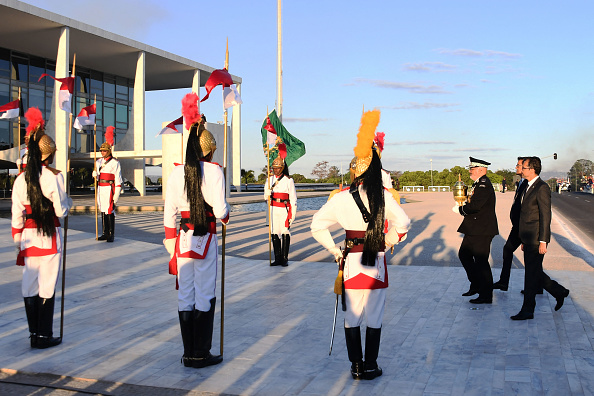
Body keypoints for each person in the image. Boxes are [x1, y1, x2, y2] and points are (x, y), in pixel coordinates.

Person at [311, 110, 410, 380]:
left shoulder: (340, 198)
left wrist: (333, 250)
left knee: (351, 317)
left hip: (351, 261)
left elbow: (316, 225)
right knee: (374, 318)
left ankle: (355, 366)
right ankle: (370, 365)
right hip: (375, 260)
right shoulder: (385, 196)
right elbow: (404, 223)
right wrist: (387, 241)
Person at [163, 93, 229, 368]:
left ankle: (188, 351)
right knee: (204, 293)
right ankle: (201, 353)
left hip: (183, 239)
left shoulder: (176, 172)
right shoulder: (214, 172)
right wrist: (226, 215)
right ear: (209, 151)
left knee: (185, 294)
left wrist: (170, 243)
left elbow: (169, 213)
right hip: (205, 237)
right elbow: (221, 209)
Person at [11, 107, 72, 349]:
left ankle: (34, 334)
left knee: (30, 283)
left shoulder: (19, 179)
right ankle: (45, 336)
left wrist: (18, 240)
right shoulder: (53, 177)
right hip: (48, 237)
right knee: (47, 284)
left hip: (27, 237)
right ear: (50, 155)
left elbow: (17, 215)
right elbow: (60, 211)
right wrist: (67, 203)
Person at [510, 157, 570, 320]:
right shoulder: (527, 186)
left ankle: (528, 309)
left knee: (531, 275)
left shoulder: (541, 188)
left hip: (537, 239)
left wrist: (543, 241)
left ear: (532, 169)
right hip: (528, 237)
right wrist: (523, 239)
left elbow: (545, 216)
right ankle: (559, 292)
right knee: (534, 272)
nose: (521, 169)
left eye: (524, 167)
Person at [452, 157, 498, 304]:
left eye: (472, 169)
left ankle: (486, 295)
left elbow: (476, 206)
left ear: (481, 170)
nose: (470, 171)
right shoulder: (477, 184)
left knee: (481, 262)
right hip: (474, 228)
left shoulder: (484, 184)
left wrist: (461, 209)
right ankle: (476, 284)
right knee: (464, 255)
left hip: (482, 229)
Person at [493, 158, 529, 291]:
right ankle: (504, 282)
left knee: (530, 260)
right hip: (517, 226)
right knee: (508, 250)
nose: (516, 167)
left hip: (523, 227)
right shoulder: (521, 182)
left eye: (519, 165)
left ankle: (552, 288)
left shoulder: (528, 184)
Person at [264, 156, 296, 266]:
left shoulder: (288, 180)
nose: (276, 170)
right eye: (274, 168)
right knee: (274, 232)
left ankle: (284, 258)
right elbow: (265, 197)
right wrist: (267, 194)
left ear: (282, 168)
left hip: (284, 209)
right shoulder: (269, 180)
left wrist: (292, 215)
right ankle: (277, 258)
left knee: (284, 231)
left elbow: (293, 199)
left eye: (278, 168)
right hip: (273, 209)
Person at [93, 126, 123, 243]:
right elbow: (97, 178)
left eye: (104, 150)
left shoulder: (115, 163)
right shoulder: (98, 161)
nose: (102, 152)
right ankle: (104, 233)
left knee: (109, 210)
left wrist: (116, 196)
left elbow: (118, 180)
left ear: (109, 151)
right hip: (100, 188)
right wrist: (95, 175)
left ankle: (111, 234)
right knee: (102, 210)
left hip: (109, 189)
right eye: (101, 151)